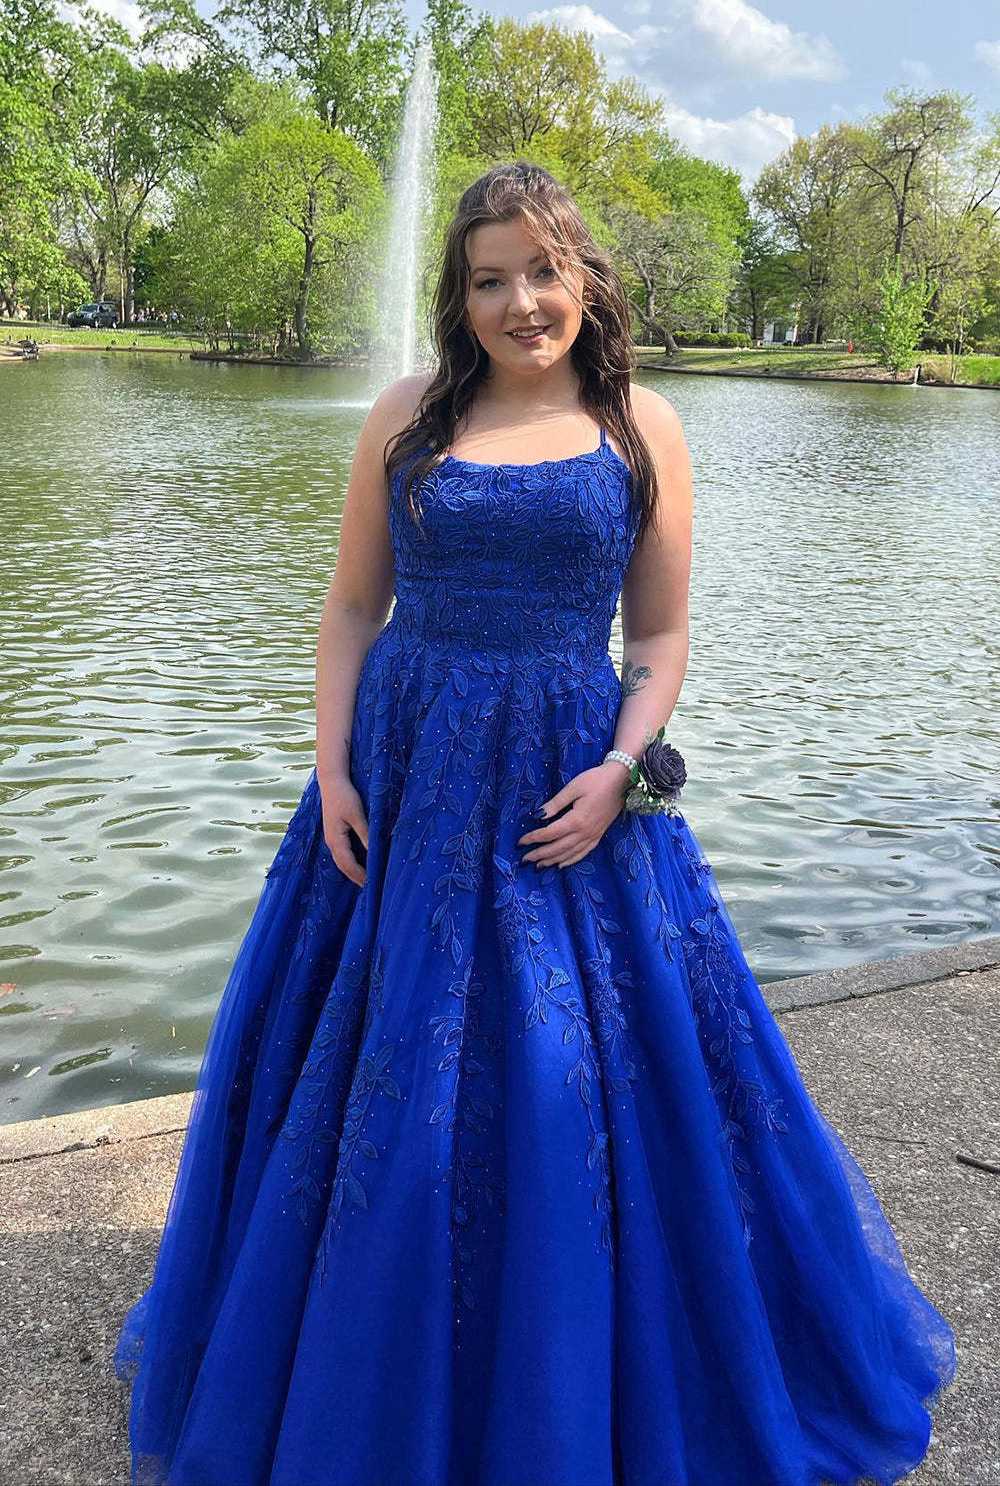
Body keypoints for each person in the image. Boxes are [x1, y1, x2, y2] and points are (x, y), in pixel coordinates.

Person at [114, 161, 957, 1486]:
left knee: (575, 1064)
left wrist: (627, 769)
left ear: (585, 279)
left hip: (566, 785)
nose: (521, 302)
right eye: (488, 278)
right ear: (459, 298)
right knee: (377, 1056)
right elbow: (352, 609)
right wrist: (333, 768)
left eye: (543, 271)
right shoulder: (405, 415)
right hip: (402, 776)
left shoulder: (640, 427)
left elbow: (660, 636)